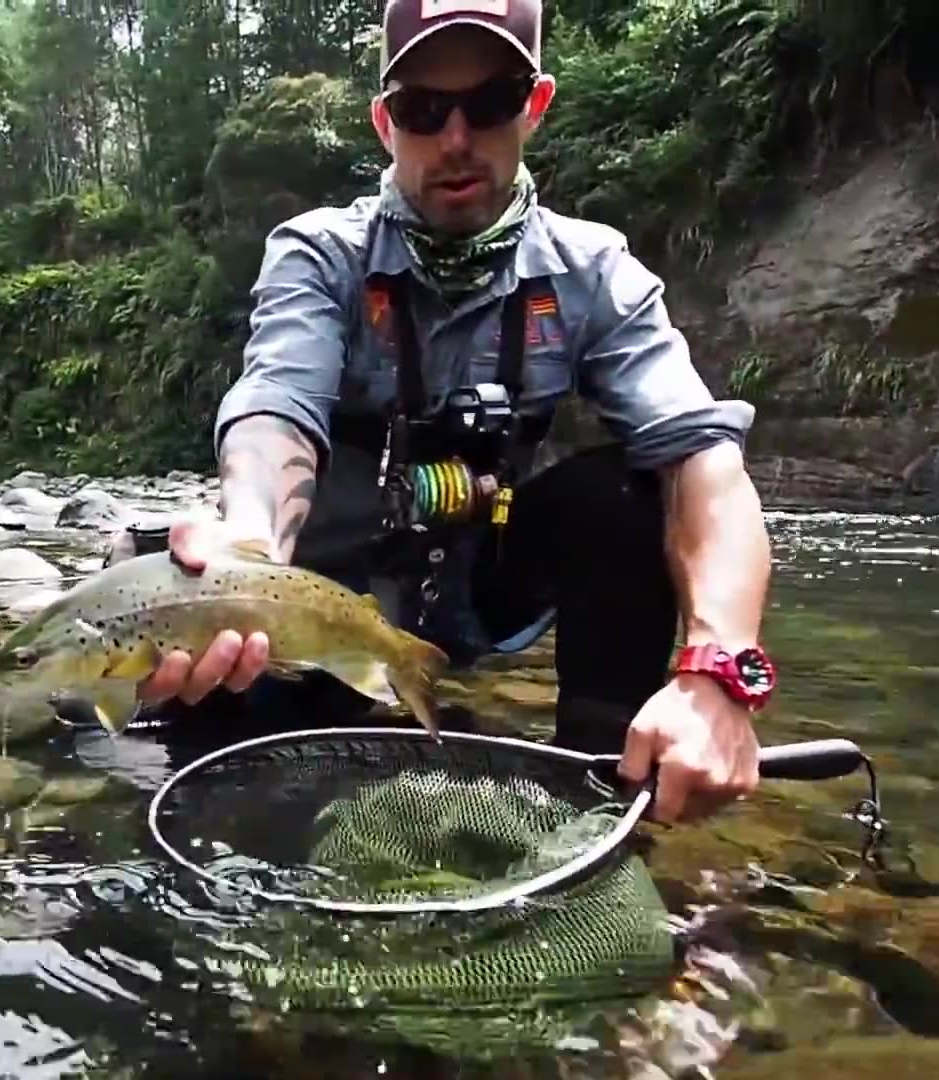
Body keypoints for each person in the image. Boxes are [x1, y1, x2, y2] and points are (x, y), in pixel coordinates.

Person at [117, 0, 777, 826]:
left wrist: (719, 669)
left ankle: (609, 796)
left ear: (535, 106)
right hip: (315, 601)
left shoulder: (594, 271)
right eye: (425, 109)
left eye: (490, 101)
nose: (456, 138)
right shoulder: (321, 254)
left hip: (474, 596)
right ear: (384, 123)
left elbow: (707, 463)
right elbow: (275, 408)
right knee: (222, 763)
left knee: (626, 497)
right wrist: (248, 555)